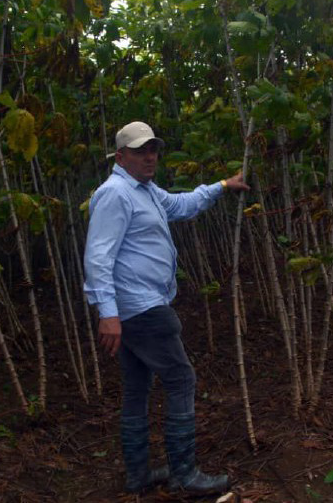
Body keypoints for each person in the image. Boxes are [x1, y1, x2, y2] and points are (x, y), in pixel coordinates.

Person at [83, 121, 249, 495]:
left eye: (153, 150)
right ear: (120, 157)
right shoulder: (115, 194)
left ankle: (138, 475)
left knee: (137, 387)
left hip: (136, 308)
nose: (150, 157)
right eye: (140, 151)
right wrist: (107, 313)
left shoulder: (146, 191)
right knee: (181, 379)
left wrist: (222, 186)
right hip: (141, 308)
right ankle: (184, 476)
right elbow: (98, 256)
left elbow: (181, 204)